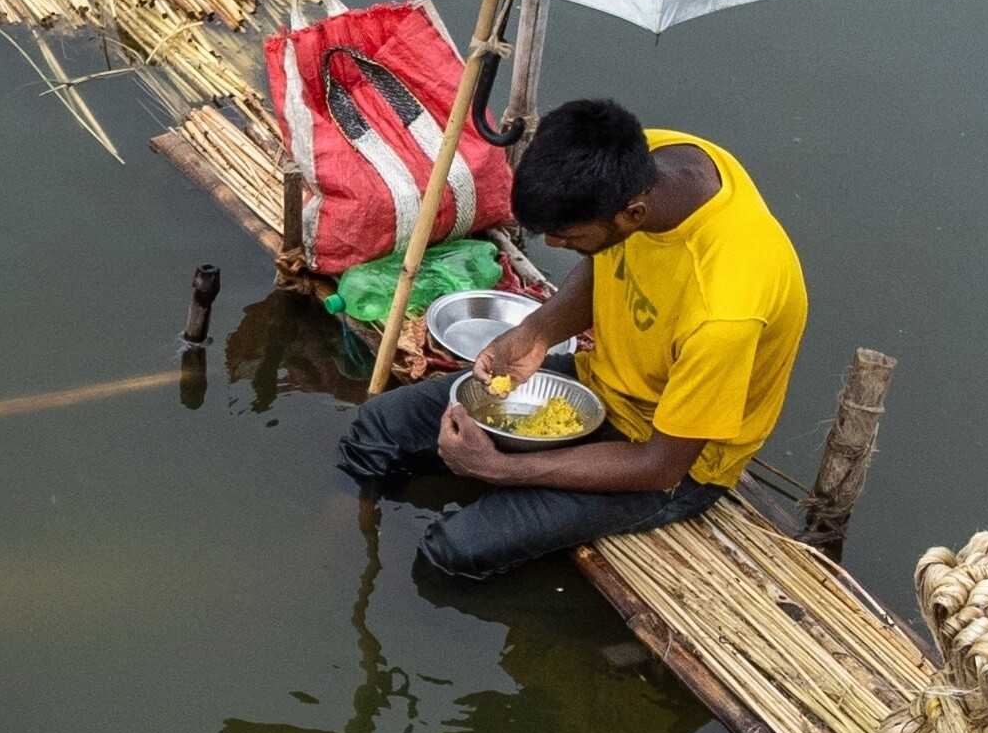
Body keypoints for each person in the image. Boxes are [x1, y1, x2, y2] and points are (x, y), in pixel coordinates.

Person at [336, 97, 808, 581]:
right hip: (597, 383)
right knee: (377, 426)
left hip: (666, 456)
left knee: (450, 551)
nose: (558, 248)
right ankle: (347, 522)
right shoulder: (650, 159)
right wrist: (535, 332)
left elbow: (660, 466)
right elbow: (604, 263)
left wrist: (499, 470)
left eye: (568, 238)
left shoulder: (726, 310)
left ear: (632, 213)